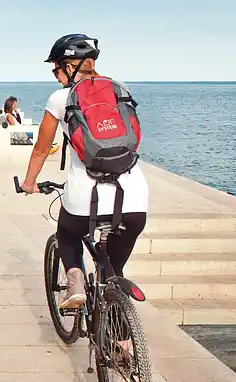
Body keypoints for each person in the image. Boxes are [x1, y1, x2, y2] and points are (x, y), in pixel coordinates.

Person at [20, 34, 148, 309]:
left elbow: (41, 149)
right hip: (134, 200)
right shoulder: (120, 90)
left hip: (84, 201)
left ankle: (75, 279)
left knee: (66, 232)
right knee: (113, 271)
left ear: (70, 67)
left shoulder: (60, 98)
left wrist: (29, 183)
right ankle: (120, 329)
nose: (56, 77)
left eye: (56, 70)